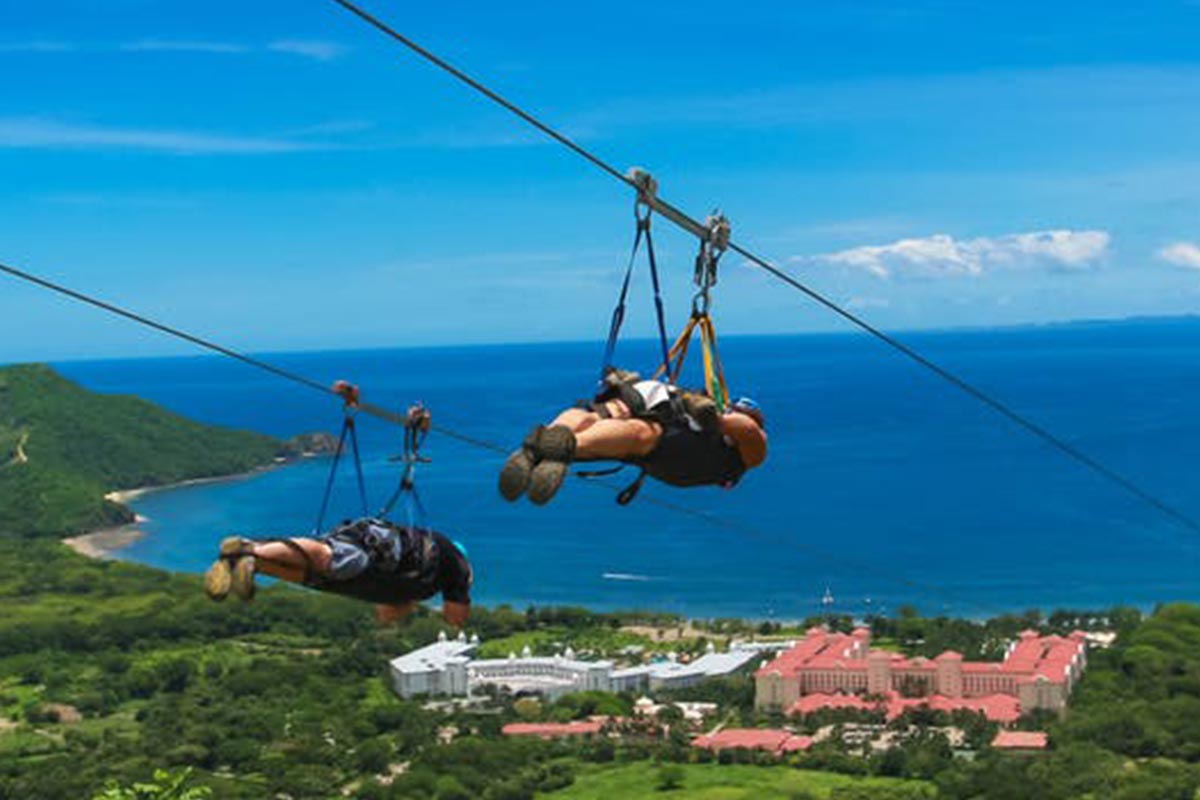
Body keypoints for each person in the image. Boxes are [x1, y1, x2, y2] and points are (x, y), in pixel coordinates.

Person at [499, 369, 767, 505]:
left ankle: (549, 444)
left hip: (685, 456)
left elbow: (750, 432)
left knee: (640, 433)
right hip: (668, 452)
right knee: (607, 416)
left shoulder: (745, 454)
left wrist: (714, 417)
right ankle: (551, 447)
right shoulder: (716, 436)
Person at [203, 517, 473, 627]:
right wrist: (466, 588)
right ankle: (251, 549)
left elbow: (385, 614)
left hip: (378, 570)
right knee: (326, 558)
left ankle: (252, 561)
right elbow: (455, 619)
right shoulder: (456, 564)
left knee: (315, 573)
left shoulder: (417, 585)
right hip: (379, 557)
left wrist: (408, 605)